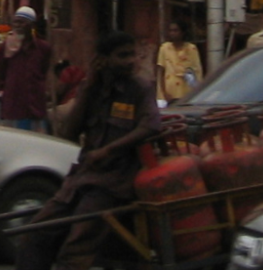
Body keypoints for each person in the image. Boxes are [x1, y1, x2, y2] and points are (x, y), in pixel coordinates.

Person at [15, 31, 158, 270]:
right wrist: (90, 86)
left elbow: (150, 126)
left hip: (113, 184)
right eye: (123, 56)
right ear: (103, 59)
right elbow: (68, 133)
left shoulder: (140, 88)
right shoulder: (91, 88)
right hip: (80, 179)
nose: (131, 61)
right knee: (34, 235)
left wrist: (108, 151)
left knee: (75, 250)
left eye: (133, 55)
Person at [0, 6, 54, 131]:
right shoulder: (6, 48)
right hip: (13, 106)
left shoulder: (43, 48)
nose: (18, 25)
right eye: (16, 22)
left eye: (22, 22)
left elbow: (43, 70)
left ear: (31, 25)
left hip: (35, 104)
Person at [155, 17, 202, 104]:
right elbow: (161, 72)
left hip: (186, 92)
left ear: (183, 32)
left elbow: (197, 72)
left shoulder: (191, 49)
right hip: (168, 93)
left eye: (175, 30)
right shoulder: (164, 48)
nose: (172, 33)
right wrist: (164, 93)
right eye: (170, 31)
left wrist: (195, 92)